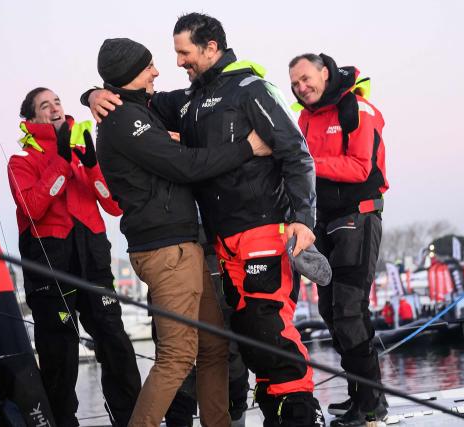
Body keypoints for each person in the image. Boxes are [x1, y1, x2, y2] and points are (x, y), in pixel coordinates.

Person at [84, 14, 324, 427]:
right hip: (216, 241)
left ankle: (301, 415)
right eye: (170, 55)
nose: (174, 63)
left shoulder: (249, 89)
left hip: (262, 228)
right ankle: (278, 414)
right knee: (246, 335)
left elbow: (296, 153)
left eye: (183, 52)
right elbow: (141, 114)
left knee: (265, 329)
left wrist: (303, 218)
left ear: (211, 47)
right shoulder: (186, 101)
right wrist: (92, 93)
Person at [7, 87, 141, 427]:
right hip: (51, 264)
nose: (54, 108)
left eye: (56, 102)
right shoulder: (20, 162)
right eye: (44, 105)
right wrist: (62, 164)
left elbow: (113, 205)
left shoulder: (83, 153)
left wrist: (93, 166)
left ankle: (133, 420)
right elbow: (32, 207)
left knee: (115, 343)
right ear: (31, 118)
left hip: (92, 258)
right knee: (59, 355)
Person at [289, 53, 390, 426]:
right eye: (295, 83)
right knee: (331, 313)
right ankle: (357, 398)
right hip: (322, 220)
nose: (301, 87)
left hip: (358, 215)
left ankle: (372, 405)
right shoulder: (304, 117)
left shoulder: (358, 109)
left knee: (349, 311)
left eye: (306, 78)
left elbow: (361, 166)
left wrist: (309, 162)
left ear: (325, 73)